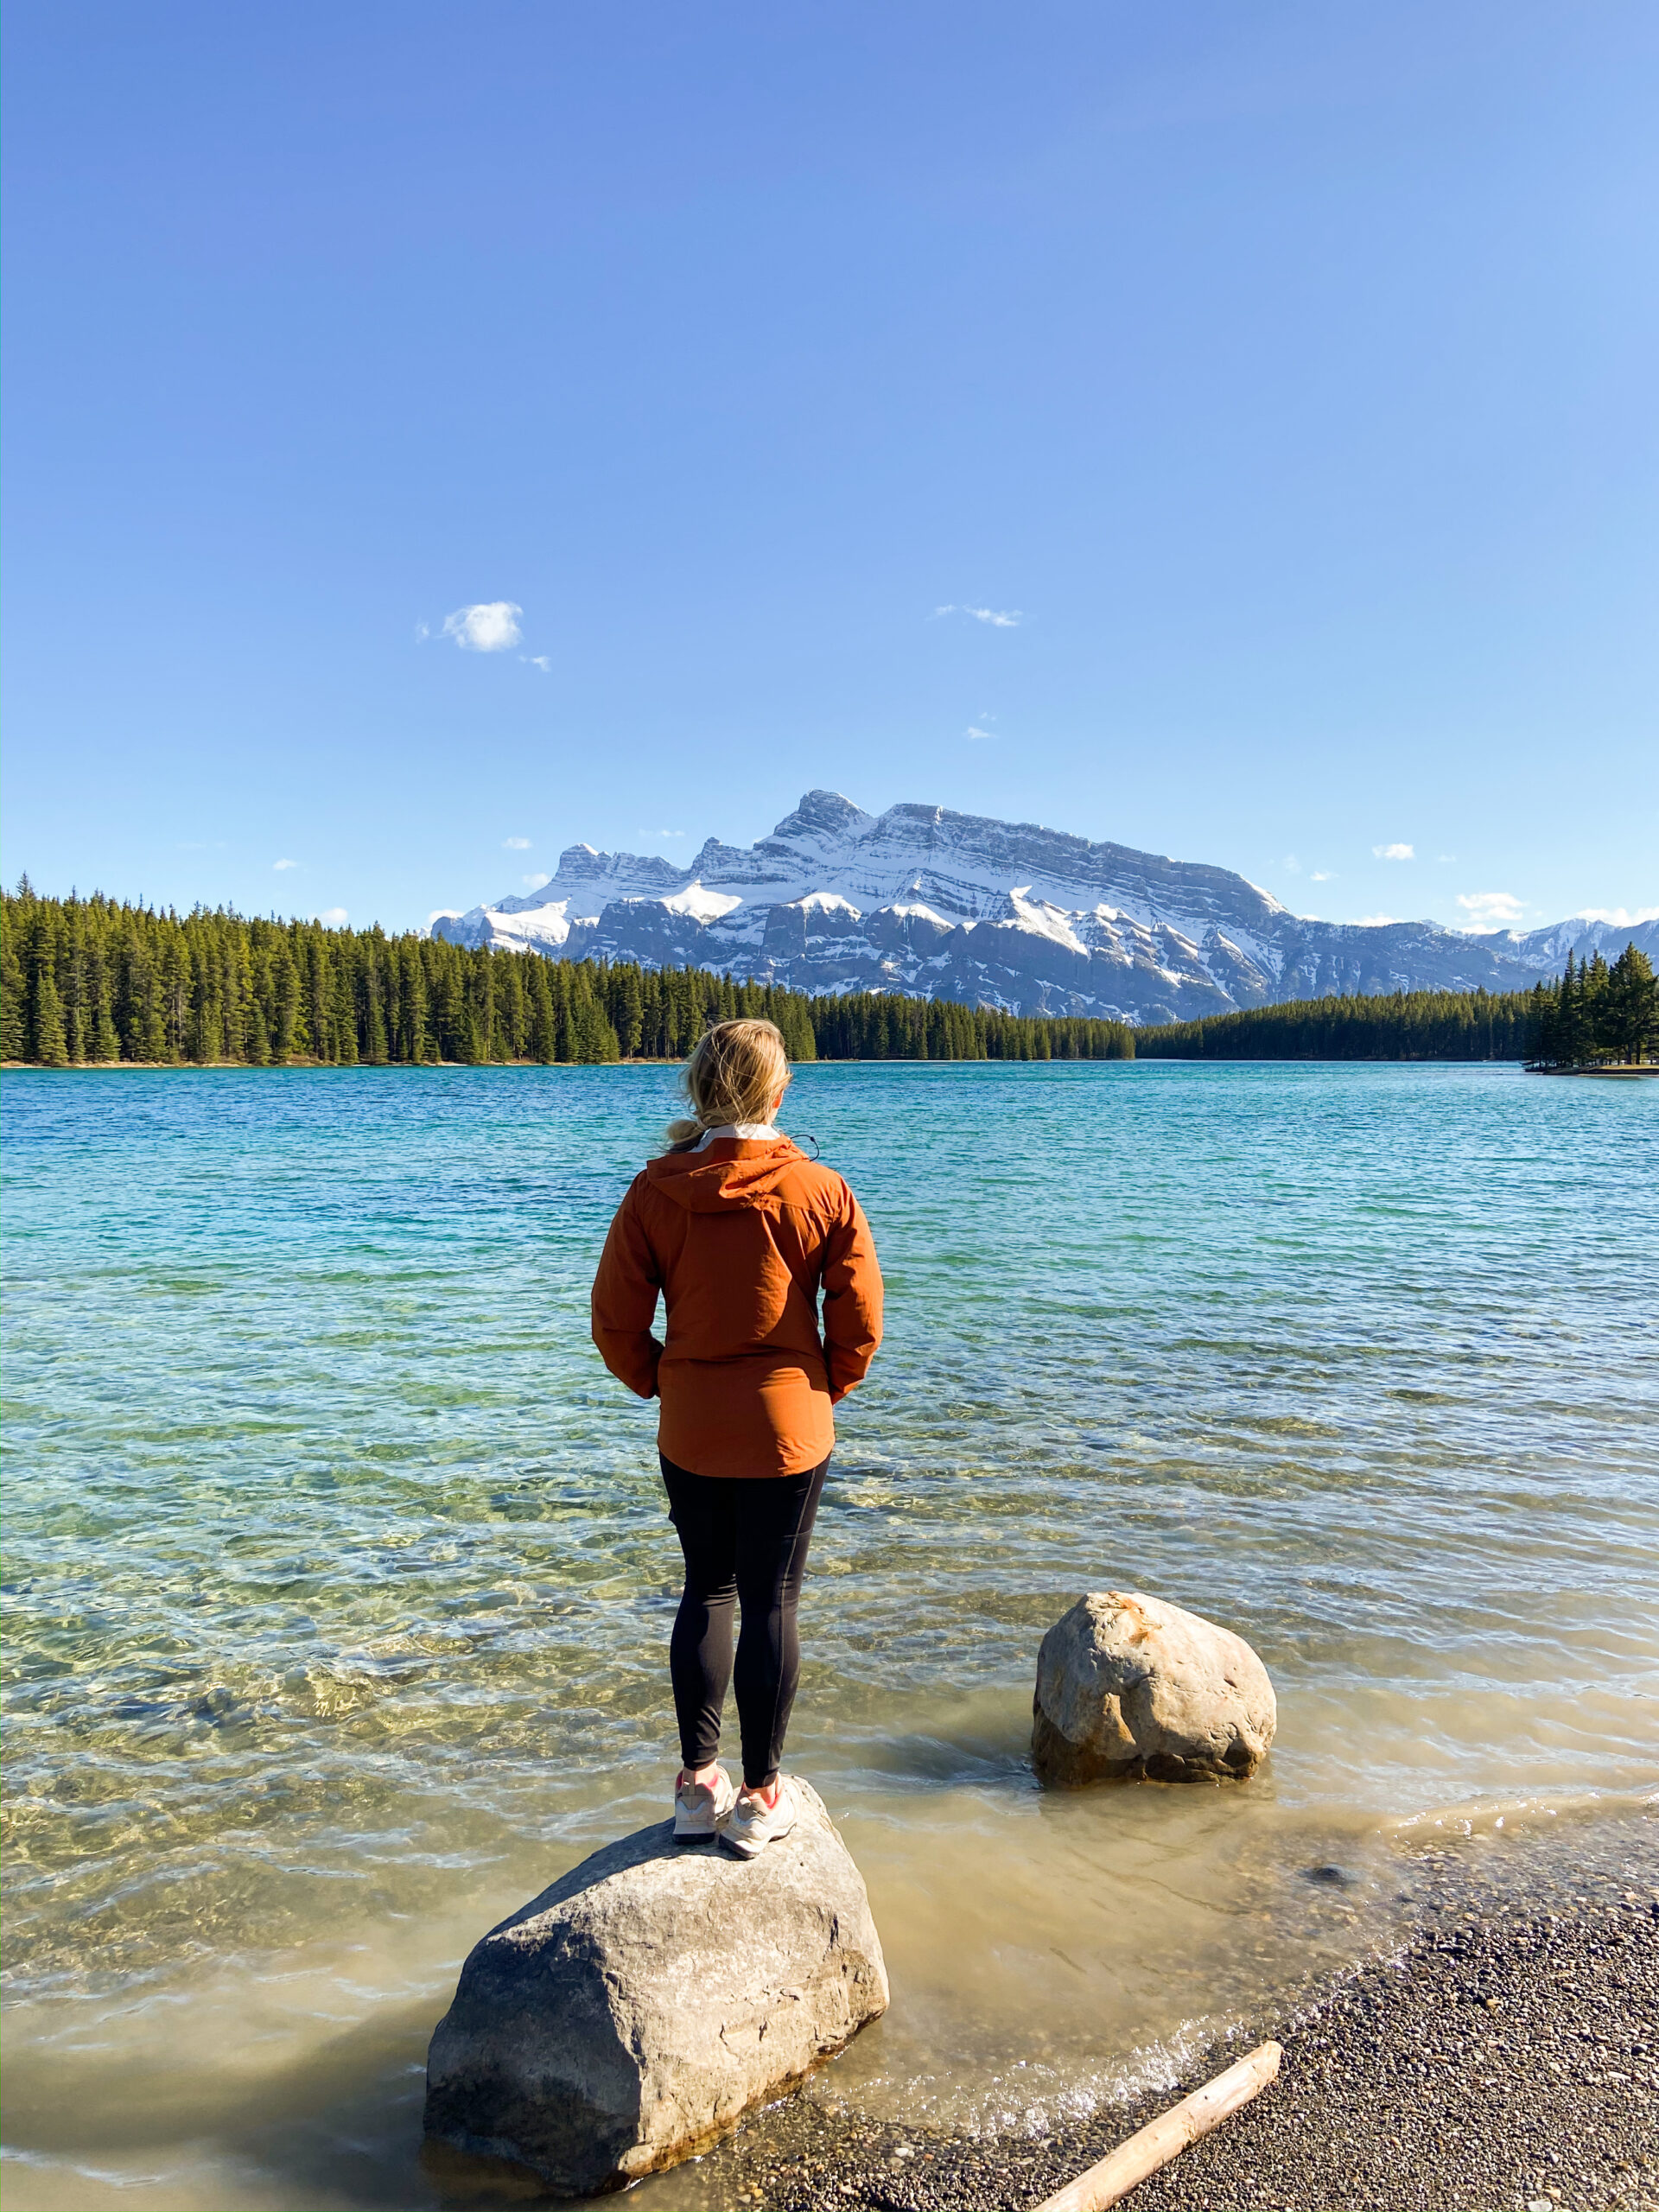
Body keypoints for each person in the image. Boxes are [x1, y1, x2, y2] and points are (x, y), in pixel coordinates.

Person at [590, 1019, 883, 1857]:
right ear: (780, 1092)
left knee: (707, 1591)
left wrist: (661, 1379)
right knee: (772, 1602)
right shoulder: (822, 1189)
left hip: (691, 1427)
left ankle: (695, 1786)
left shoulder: (655, 1191)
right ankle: (760, 1796)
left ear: (697, 1090)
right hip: (791, 1426)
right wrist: (827, 1385)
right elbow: (859, 1317)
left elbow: (614, 1322)